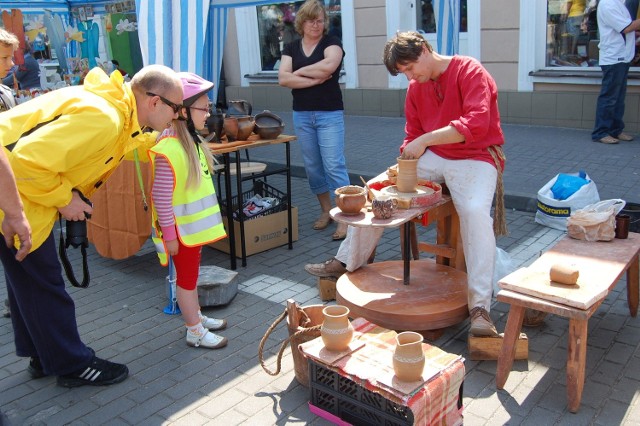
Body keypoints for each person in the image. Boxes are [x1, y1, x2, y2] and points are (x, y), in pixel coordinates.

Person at [305, 31, 508, 337]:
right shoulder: (416, 87)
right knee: (375, 189)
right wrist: (404, 158)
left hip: (476, 156)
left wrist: (426, 139)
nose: (411, 76)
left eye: (411, 68)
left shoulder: (469, 70)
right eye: (404, 73)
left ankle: (480, 307)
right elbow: (412, 134)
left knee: (476, 212)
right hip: (435, 156)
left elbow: (476, 123)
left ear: (425, 49)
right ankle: (346, 260)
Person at [0, 63, 183, 387]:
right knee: (46, 285)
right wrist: (64, 199)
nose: (177, 117)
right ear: (154, 101)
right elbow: (24, 163)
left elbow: (125, 144)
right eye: (176, 109)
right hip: (17, 202)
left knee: (27, 285)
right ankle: (72, 364)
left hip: (16, 199)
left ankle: (42, 355)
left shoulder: (115, 111)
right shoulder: (105, 118)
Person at [149, 72, 228, 349]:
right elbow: (160, 197)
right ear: (182, 111)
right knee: (186, 281)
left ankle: (196, 317)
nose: (208, 114)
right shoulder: (169, 149)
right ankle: (194, 330)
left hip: (188, 232)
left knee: (190, 279)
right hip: (181, 235)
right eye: (203, 108)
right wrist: (169, 236)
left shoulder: (189, 142)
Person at [278, 0, 350, 241]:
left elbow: (329, 66)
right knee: (313, 168)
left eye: (320, 20)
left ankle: (346, 219)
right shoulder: (290, 47)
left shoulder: (332, 42)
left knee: (334, 166)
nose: (316, 25)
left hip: (329, 114)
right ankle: (326, 210)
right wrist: (311, 78)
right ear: (302, 22)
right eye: (311, 20)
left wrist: (297, 72)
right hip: (302, 114)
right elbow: (283, 79)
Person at [0, 28, 32, 322]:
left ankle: (15, 302)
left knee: (11, 251)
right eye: (5, 58)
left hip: (11, 180)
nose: (11, 64)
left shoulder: (6, 91)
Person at [592, 0, 640, 144]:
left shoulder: (618, 3)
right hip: (614, 58)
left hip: (622, 57)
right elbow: (626, 28)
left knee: (618, 99)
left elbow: (627, 28)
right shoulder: (608, 4)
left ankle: (615, 130)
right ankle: (600, 132)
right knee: (609, 98)